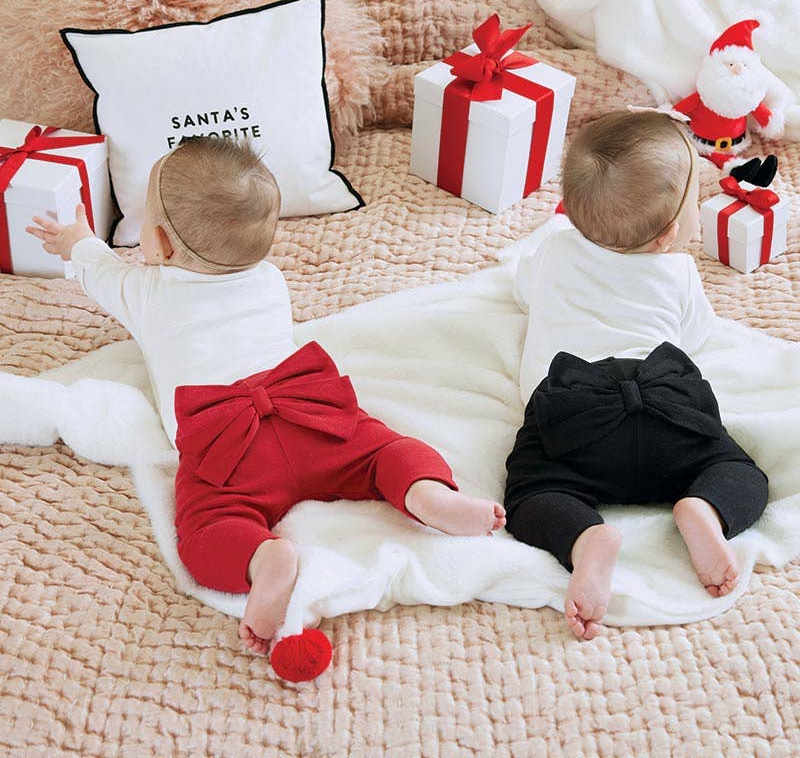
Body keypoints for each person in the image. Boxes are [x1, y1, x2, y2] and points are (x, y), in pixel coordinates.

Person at [27, 136, 506, 655]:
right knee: (383, 451)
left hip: (228, 449)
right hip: (312, 417)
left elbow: (101, 273)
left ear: (160, 245)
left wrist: (76, 239)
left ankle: (262, 559)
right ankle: (425, 493)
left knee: (208, 527)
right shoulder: (270, 281)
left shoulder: (147, 293)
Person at [505, 110, 768, 640]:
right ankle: (704, 509)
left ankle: (584, 538)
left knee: (531, 492)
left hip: (574, 412)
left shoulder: (554, 248)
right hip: (667, 405)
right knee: (740, 471)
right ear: (669, 235)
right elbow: (693, 338)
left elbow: (523, 293)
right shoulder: (679, 271)